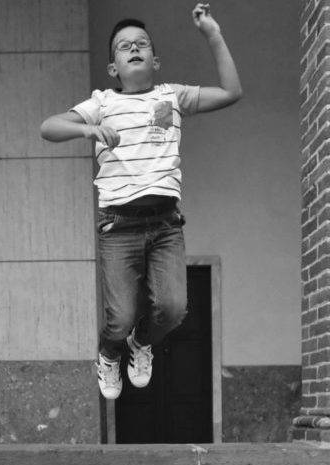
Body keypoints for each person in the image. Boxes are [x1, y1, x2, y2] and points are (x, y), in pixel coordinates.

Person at [40, 3, 241, 400]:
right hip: (119, 226)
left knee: (173, 309)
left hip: (165, 224)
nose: (134, 48)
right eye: (124, 46)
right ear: (113, 67)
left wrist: (213, 34)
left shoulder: (172, 96)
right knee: (120, 317)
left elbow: (231, 92)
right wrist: (89, 130)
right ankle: (109, 352)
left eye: (142, 44)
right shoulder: (102, 103)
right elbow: (48, 127)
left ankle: (141, 342)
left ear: (155, 60)